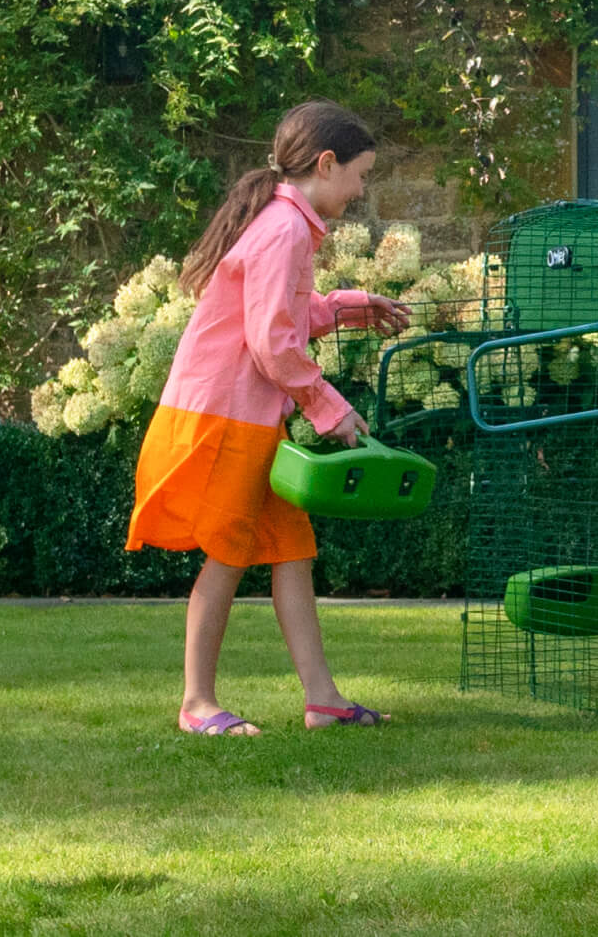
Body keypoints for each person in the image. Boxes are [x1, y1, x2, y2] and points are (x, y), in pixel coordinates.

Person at [125, 100, 413, 736]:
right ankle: (197, 705)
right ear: (327, 162)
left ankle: (323, 700)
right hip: (228, 415)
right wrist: (327, 408)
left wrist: (349, 305)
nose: (362, 190)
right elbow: (271, 342)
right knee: (228, 555)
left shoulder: (286, 225)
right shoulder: (284, 229)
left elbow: (282, 316)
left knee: (291, 551)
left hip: (247, 413)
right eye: (361, 175)